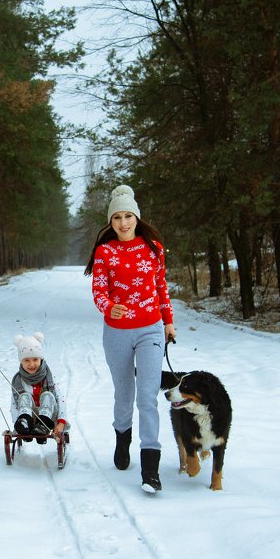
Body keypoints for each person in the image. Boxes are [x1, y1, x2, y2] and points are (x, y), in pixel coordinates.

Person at [84, 185, 176, 493]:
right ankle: (122, 440)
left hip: (150, 329)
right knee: (124, 394)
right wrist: (111, 307)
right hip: (117, 333)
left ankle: (150, 466)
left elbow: (161, 287)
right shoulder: (105, 251)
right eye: (117, 218)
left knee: (147, 397)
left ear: (137, 217)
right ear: (111, 222)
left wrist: (169, 322)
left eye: (128, 216)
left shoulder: (153, 248)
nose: (123, 223)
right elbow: (98, 292)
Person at [10, 332, 67, 444]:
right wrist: (17, 423)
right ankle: (24, 423)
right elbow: (14, 405)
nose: (31, 364)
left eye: (35, 359)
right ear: (21, 361)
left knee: (47, 395)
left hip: (50, 416)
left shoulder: (48, 377)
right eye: (26, 360)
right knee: (24, 396)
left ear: (41, 359)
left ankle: (42, 425)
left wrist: (61, 422)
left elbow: (61, 400)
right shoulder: (18, 381)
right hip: (28, 415)